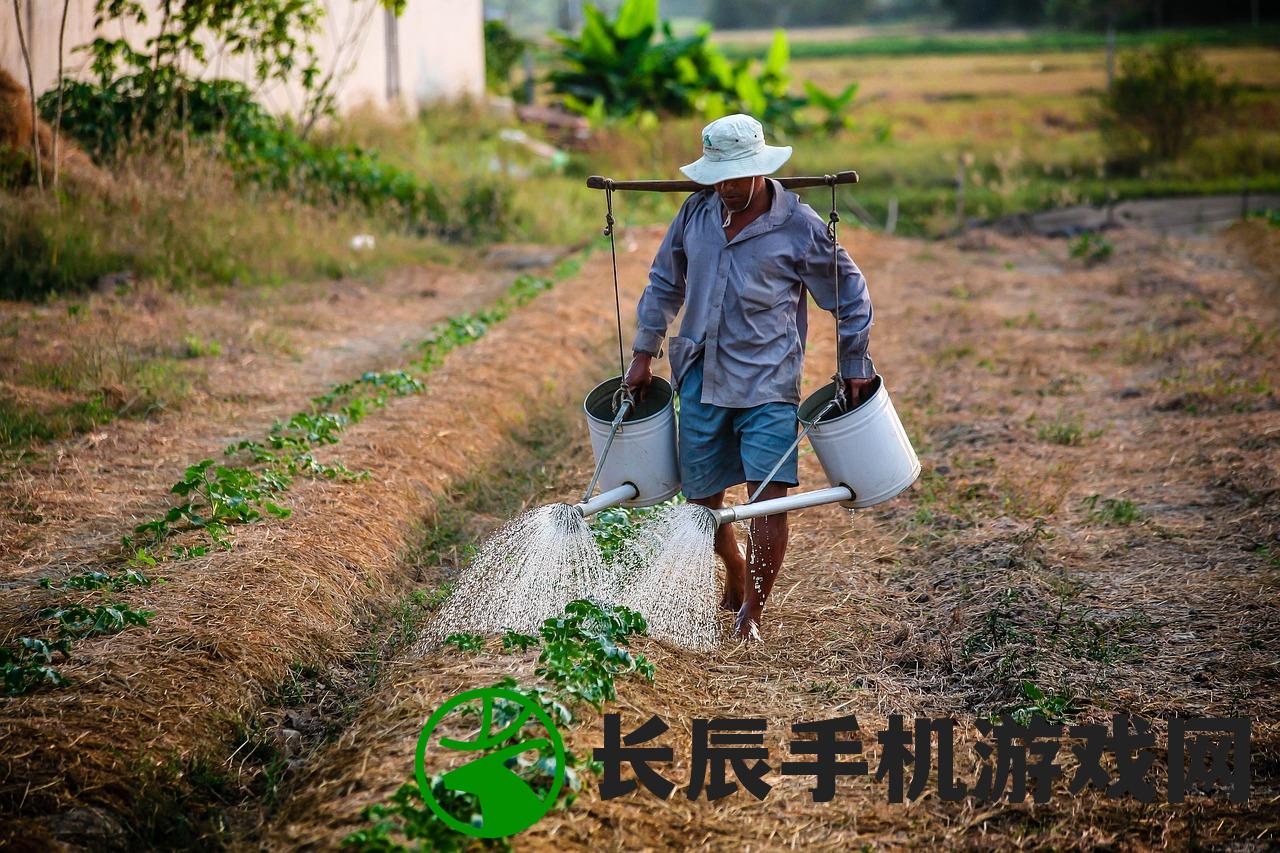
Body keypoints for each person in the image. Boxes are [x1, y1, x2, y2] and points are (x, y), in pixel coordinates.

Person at [622, 113, 876, 642]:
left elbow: (850, 295)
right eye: (718, 177)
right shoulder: (695, 213)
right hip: (700, 375)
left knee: (769, 499)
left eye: (736, 177)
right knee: (702, 503)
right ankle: (734, 568)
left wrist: (853, 363)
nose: (727, 188)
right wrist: (644, 352)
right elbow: (663, 283)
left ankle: (750, 616)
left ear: (760, 171)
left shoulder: (799, 226)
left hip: (768, 382)